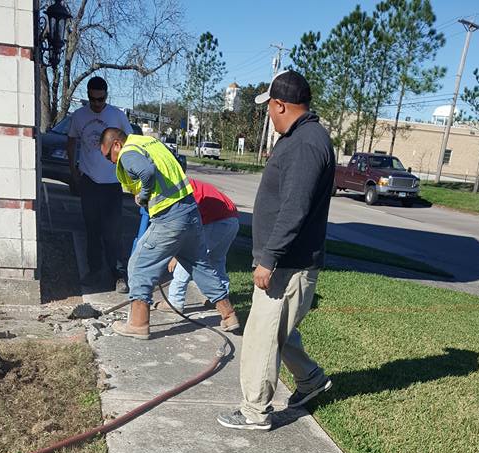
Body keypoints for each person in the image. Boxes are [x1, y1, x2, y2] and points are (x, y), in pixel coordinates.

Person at [217, 70, 335, 431]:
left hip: (287, 265)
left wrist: (268, 259)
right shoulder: (303, 138)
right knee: (277, 332)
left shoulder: (305, 144)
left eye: (269, 106)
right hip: (288, 262)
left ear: (281, 104)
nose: (268, 113)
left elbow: (294, 208)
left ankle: (254, 411)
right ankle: (312, 380)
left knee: (261, 337)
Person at [99, 128, 239, 339]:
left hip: (169, 217)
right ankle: (229, 315)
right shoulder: (149, 143)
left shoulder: (128, 152)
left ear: (117, 144)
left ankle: (137, 324)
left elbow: (146, 172)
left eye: (109, 155)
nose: (111, 161)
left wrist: (144, 195)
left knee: (139, 264)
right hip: (190, 210)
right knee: (200, 265)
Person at [68, 77, 131, 292]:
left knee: (113, 232)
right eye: (93, 99)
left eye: (101, 99)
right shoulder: (79, 116)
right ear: (88, 96)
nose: (97, 104)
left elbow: (129, 144)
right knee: (92, 230)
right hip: (89, 182)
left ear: (106, 95)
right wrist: (73, 169)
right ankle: (94, 270)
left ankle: (119, 274)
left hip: (112, 183)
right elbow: (71, 141)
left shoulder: (117, 115)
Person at [153, 178, 239, 312]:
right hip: (231, 219)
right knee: (217, 260)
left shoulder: (179, 191)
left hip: (215, 221)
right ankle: (220, 298)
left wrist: (176, 254)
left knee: (190, 259)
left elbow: (183, 223)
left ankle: (175, 300)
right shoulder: (187, 183)